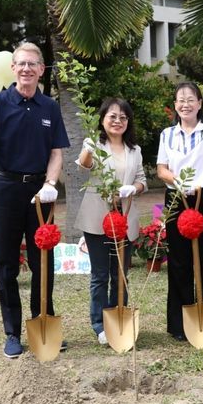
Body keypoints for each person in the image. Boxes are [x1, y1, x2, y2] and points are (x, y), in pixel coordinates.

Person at [0, 42, 70, 358]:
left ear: (41, 69)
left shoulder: (49, 107)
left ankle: (43, 323)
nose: (26, 69)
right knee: (7, 262)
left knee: (43, 262)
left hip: (41, 192)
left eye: (33, 64)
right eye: (21, 64)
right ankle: (12, 332)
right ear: (13, 68)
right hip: (5, 190)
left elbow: (56, 152)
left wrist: (51, 183)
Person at [74, 98, 147, 345]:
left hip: (124, 218)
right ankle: (99, 324)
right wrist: (87, 148)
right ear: (102, 119)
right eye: (112, 117)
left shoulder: (134, 151)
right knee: (100, 274)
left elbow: (142, 180)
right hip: (97, 217)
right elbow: (85, 165)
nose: (117, 121)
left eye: (123, 117)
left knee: (121, 273)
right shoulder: (96, 144)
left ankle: (118, 316)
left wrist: (132, 189)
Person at [157, 81, 203, 341]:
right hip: (176, 195)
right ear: (175, 105)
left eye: (190, 99)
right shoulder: (167, 134)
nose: (185, 104)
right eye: (180, 100)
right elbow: (161, 168)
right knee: (179, 259)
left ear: (199, 104)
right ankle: (179, 324)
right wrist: (177, 182)